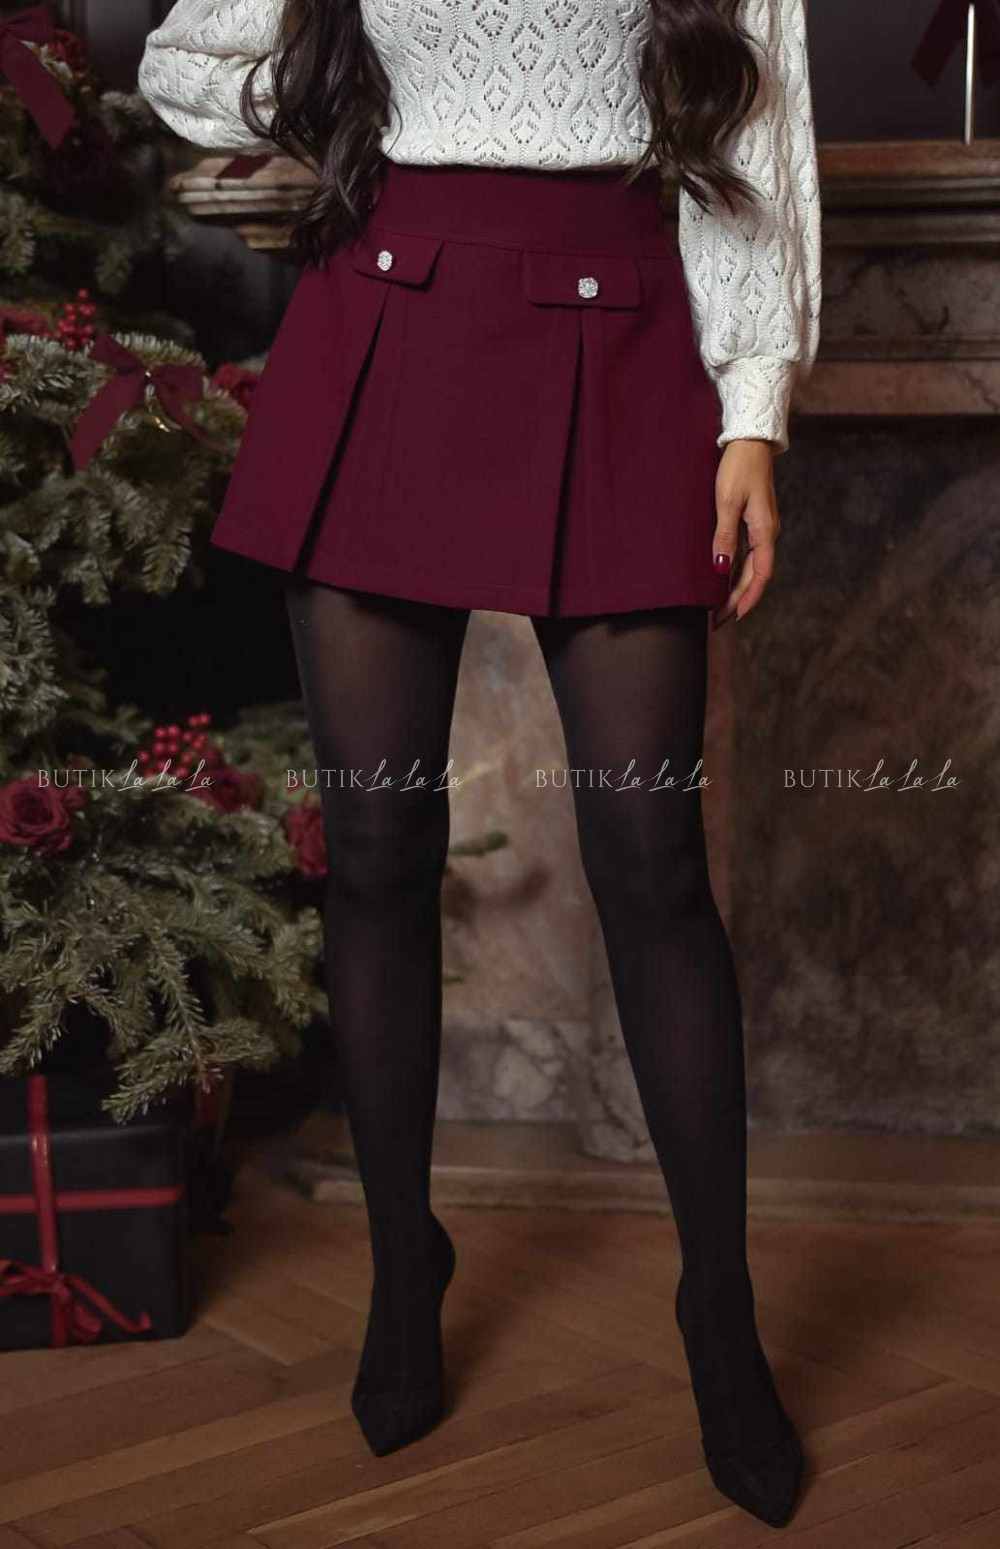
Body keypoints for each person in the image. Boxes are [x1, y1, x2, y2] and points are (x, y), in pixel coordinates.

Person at [139, 0, 821, 1527]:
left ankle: (719, 1311)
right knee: (378, 854)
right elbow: (179, 61)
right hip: (386, 316)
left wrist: (753, 413)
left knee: (654, 869)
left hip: (626, 326)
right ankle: (405, 1266)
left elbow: (756, 121)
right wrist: (333, 99)